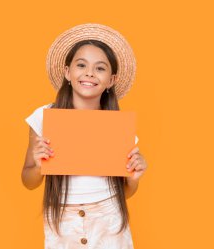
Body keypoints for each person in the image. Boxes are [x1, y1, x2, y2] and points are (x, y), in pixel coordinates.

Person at [21, 23, 148, 249]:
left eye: (100, 68)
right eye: (81, 65)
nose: (89, 73)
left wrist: (134, 178)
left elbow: (126, 193)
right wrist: (39, 165)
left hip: (109, 217)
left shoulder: (119, 128)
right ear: (68, 72)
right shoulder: (44, 117)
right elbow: (28, 181)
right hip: (63, 219)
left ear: (111, 80)